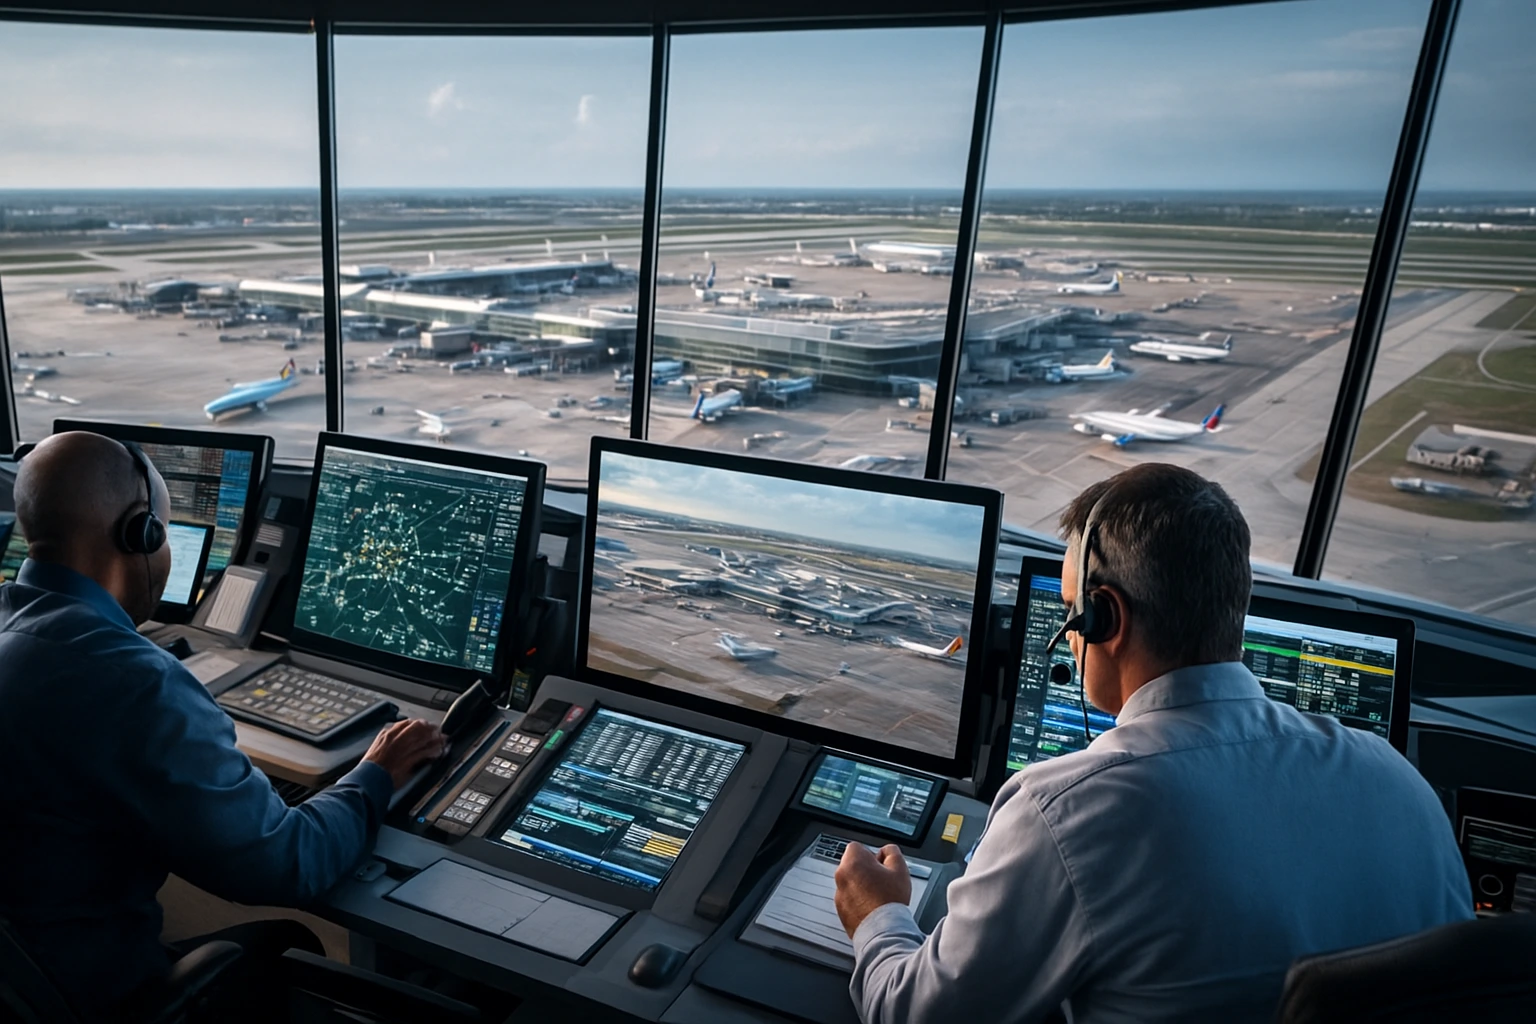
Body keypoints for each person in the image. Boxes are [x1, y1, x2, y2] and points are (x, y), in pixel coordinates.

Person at [834, 463, 1473, 1024]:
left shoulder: (1071, 810)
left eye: (1068, 611)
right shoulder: (1399, 780)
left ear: (1105, 617)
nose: (1068, 633)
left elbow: (917, 1013)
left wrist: (878, 918)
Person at [0, 432, 446, 1021]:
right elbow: (289, 864)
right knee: (294, 943)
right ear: (143, 534)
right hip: (98, 996)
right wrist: (374, 774)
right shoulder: (133, 683)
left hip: (28, 980)